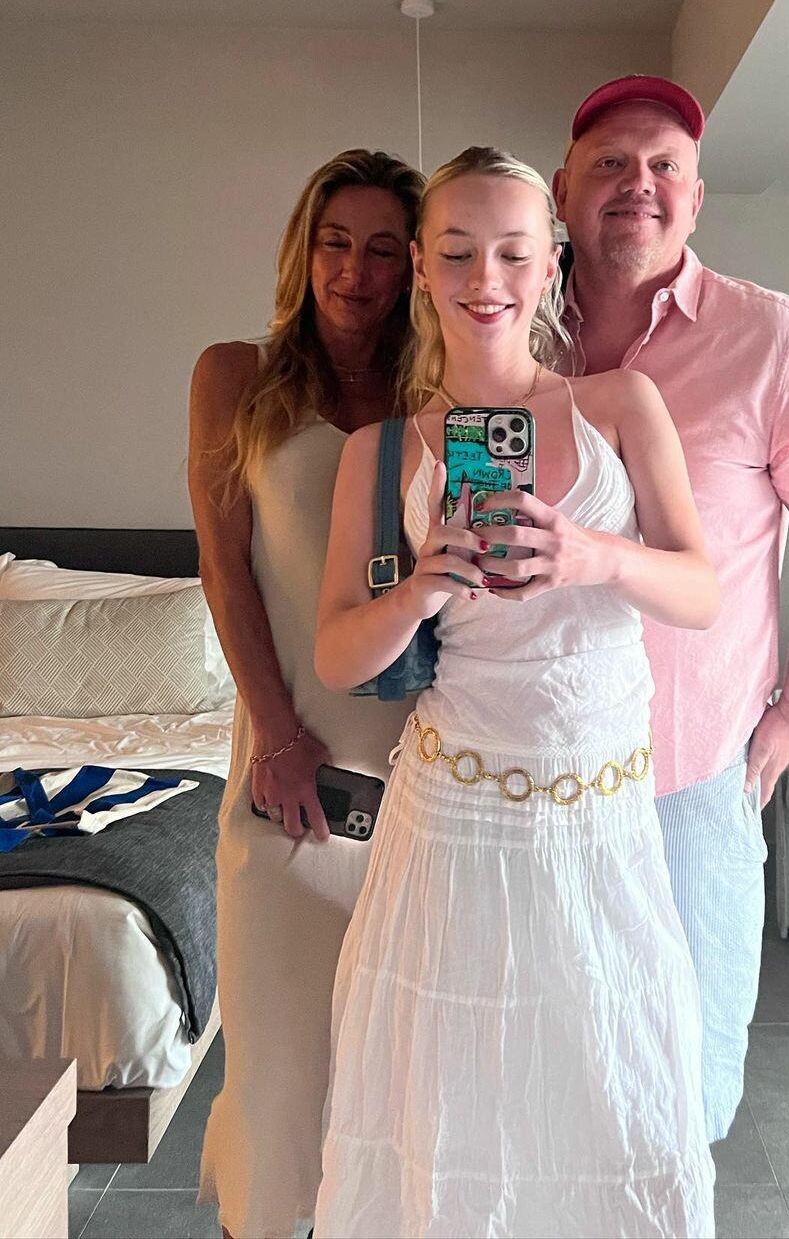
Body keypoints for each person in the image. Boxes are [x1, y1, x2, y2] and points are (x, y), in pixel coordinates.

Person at [312, 146, 718, 1239]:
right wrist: (420, 590)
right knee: (453, 1115)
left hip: (601, 823)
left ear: (550, 267)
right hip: (452, 827)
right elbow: (338, 656)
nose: (483, 278)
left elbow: (703, 591)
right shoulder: (381, 451)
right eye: (455, 252)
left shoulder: (620, 406)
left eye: (511, 252)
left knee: (613, 1105)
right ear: (422, 270)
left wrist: (595, 555)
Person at [553, 75, 789, 1142]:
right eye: (610, 163)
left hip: (692, 776)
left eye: (665, 168)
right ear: (561, 190)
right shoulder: (503, 330)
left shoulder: (776, 339)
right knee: (548, 1079)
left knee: (683, 1086)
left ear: (696, 200)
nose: (637, 184)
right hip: (531, 771)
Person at [187, 148, 425, 1239]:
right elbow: (224, 568)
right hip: (290, 772)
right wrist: (277, 735)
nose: (354, 272)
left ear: (412, 265)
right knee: (280, 1075)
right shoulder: (235, 377)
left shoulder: (442, 399)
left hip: (423, 781)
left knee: (397, 1085)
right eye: (335, 243)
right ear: (303, 249)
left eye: (382, 250)